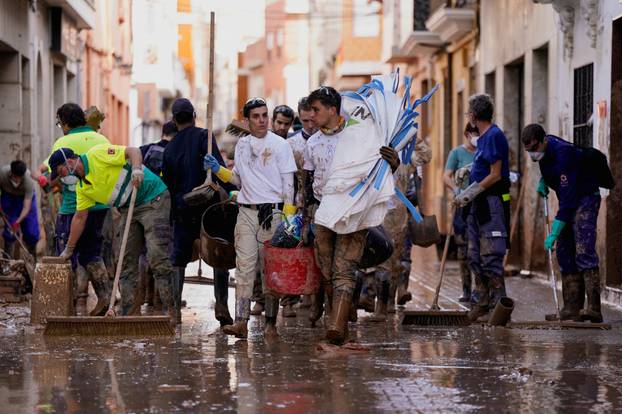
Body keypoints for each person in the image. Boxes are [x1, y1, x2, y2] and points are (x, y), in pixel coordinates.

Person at [304, 86, 400, 344]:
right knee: (327, 270)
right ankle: (339, 325)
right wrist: (304, 218)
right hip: (323, 213)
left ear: (333, 110)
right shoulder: (312, 143)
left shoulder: (361, 136)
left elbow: (380, 169)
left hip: (354, 210)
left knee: (345, 268)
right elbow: (307, 181)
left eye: (316, 109)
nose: (312, 115)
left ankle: (336, 328)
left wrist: (393, 163)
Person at [203, 97, 297, 339]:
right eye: (256, 116)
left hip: (274, 214)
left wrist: (289, 221)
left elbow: (289, 185)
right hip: (246, 212)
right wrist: (218, 170)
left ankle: (271, 323)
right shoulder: (242, 145)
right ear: (247, 120)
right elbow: (237, 180)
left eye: (265, 115)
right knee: (244, 269)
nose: (262, 120)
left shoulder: (280, 145)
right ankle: (241, 322)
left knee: (270, 271)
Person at [49, 144, 176, 322]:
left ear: (68, 162)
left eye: (60, 172)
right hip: (127, 208)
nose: (61, 178)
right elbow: (79, 218)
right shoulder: (83, 189)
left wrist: (137, 169)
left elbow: (133, 151)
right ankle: (129, 316)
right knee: (124, 261)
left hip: (153, 198)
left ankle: (171, 313)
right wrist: (69, 249)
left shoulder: (96, 155)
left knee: (157, 257)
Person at [162, 98, 234, 326]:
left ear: (173, 120)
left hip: (183, 207)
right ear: (194, 115)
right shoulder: (205, 136)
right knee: (218, 253)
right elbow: (219, 169)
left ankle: (174, 311)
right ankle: (221, 305)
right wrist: (232, 191)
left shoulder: (170, 148)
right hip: (208, 208)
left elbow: (169, 185)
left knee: (178, 260)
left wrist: (174, 211)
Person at [521, 124, 603, 323]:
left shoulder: (564, 152)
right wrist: (545, 181)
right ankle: (571, 308)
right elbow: (554, 173)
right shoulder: (544, 151)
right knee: (565, 251)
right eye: (528, 151)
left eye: (534, 149)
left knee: (583, 249)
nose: (533, 154)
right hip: (570, 199)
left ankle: (593, 308)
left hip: (585, 198)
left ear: (544, 141)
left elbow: (567, 201)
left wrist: (554, 232)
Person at [38, 103, 111, 316]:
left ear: (66, 122)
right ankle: (105, 296)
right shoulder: (101, 139)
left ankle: (64, 305)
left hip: (72, 207)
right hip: (101, 205)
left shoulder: (63, 142)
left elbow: (54, 175)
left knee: (65, 252)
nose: (60, 127)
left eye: (60, 123)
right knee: (92, 253)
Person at [453, 94, 510, 322]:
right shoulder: (483, 138)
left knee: (490, 254)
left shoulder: (494, 136)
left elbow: (495, 174)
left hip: (491, 203)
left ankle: (499, 307)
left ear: (474, 116)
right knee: (473, 254)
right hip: (477, 206)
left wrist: (470, 192)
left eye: (469, 114)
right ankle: (481, 301)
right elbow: (483, 166)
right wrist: (469, 171)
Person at [443, 124, 478, 302]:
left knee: (477, 249)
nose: (477, 138)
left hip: (479, 205)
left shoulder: (484, 152)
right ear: (467, 134)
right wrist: (456, 189)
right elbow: (446, 176)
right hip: (462, 206)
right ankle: (466, 289)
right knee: (463, 249)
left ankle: (479, 290)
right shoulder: (457, 153)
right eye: (474, 134)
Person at [0, 161, 39, 255]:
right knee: (9, 230)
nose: (17, 180)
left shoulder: (28, 180)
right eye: (15, 177)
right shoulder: (2, 173)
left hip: (24, 199)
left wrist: (17, 222)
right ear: (11, 173)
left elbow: (26, 207)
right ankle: (7, 257)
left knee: (31, 231)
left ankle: (32, 253)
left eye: (20, 178)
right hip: (8, 197)